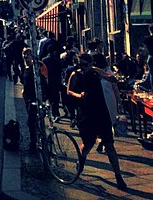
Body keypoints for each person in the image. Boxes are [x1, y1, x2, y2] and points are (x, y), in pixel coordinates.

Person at [67, 53, 127, 190]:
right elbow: (69, 91)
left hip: (101, 113)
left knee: (110, 145)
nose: (82, 67)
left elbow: (112, 79)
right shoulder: (75, 74)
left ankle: (118, 176)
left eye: (85, 65)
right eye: (80, 64)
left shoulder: (95, 72)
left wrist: (107, 74)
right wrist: (79, 95)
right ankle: (81, 161)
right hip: (86, 115)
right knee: (88, 144)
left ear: (91, 63)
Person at [21, 48, 39, 151]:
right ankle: (35, 141)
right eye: (24, 54)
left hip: (33, 99)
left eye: (27, 55)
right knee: (32, 121)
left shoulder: (33, 69)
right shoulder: (26, 68)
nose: (25, 56)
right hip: (28, 99)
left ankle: (33, 144)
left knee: (31, 122)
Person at [42, 43, 64, 117]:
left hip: (47, 81)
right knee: (55, 99)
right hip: (56, 81)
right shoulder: (58, 60)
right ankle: (55, 113)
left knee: (48, 98)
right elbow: (61, 69)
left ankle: (49, 112)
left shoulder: (44, 60)